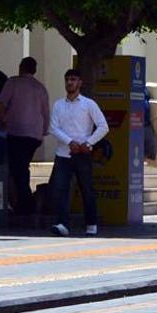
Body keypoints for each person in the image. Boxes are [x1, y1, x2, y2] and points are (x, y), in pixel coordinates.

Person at [48, 69, 109, 237]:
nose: (70, 82)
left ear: (80, 83)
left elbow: (103, 126)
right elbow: (53, 128)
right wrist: (70, 142)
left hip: (82, 153)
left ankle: (91, 224)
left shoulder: (88, 104)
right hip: (63, 154)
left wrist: (88, 143)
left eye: (73, 79)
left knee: (86, 189)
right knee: (60, 189)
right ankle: (63, 224)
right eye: (67, 79)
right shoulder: (58, 105)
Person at [0, 57, 50, 214]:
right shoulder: (41, 88)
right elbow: (46, 113)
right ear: (35, 70)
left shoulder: (13, 83)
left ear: (20, 67)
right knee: (22, 166)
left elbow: (0, 104)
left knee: (17, 168)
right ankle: (24, 202)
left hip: (16, 131)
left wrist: (2, 121)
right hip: (34, 135)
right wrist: (43, 131)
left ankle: (26, 203)